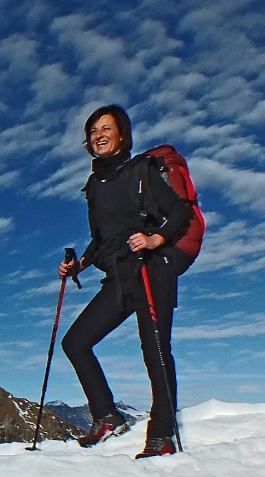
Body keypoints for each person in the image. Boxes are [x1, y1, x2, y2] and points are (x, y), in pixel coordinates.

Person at [58, 105, 192, 458]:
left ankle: (161, 435)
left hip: (151, 270)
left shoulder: (142, 171)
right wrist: (77, 267)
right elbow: (101, 239)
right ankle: (106, 416)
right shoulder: (94, 187)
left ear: (121, 135)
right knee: (75, 342)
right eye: (93, 131)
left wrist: (155, 239)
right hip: (117, 278)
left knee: (155, 350)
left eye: (106, 128)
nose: (98, 135)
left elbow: (181, 211)